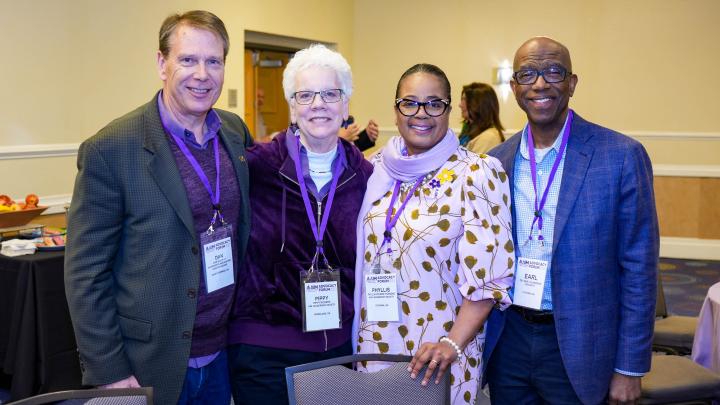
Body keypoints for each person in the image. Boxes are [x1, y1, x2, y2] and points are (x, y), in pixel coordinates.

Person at [64, 10, 252, 405]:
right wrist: (109, 371)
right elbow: (85, 272)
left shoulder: (234, 133)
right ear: (161, 63)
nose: (202, 73)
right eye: (187, 59)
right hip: (148, 363)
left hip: (223, 352)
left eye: (213, 61)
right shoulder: (111, 148)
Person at [483, 37, 659, 405]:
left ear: (572, 83)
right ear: (515, 88)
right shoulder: (496, 161)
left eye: (553, 71)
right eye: (528, 74)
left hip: (581, 345)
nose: (540, 83)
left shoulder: (621, 156)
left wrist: (629, 368)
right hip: (509, 339)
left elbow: (639, 270)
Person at [352, 63, 514, 405]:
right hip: (377, 341)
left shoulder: (477, 173)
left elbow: (489, 280)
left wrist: (452, 344)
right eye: (409, 103)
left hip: (439, 353)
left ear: (450, 109)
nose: (420, 113)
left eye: (433, 103)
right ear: (395, 110)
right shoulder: (377, 167)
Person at [227, 44, 373, 404]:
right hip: (263, 348)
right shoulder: (256, 167)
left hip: (335, 348)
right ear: (292, 106)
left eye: (330, 94)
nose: (318, 104)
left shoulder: (367, 177)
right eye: (305, 94)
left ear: (346, 104)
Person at [458, 82, 505, 154]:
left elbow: (473, 164)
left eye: (464, 100)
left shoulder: (489, 137)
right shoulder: (468, 130)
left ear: (479, 104)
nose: (460, 105)